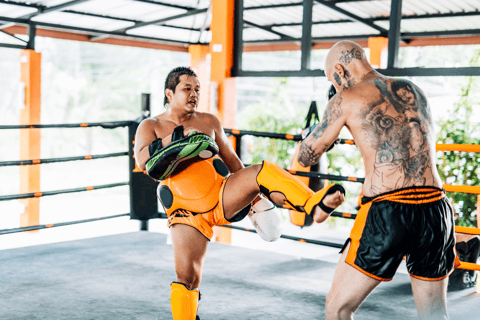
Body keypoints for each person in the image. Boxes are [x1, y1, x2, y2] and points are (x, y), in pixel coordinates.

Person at [134, 66, 345, 320]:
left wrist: (254, 198)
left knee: (261, 170)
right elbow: (143, 161)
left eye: (197, 89)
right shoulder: (151, 125)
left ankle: (312, 204)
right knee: (187, 278)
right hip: (186, 212)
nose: (194, 94)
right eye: (187, 89)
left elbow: (233, 161)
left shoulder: (209, 121)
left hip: (222, 194)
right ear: (169, 93)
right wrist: (177, 138)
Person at [298, 40, 459, 320]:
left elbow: (307, 156)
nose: (335, 86)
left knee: (337, 309)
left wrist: (311, 133)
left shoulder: (345, 97)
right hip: (436, 209)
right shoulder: (413, 89)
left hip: (389, 211)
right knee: (434, 314)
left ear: (340, 69)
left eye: (332, 80)